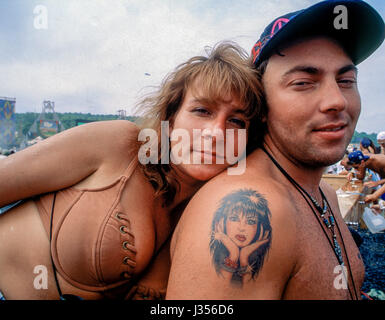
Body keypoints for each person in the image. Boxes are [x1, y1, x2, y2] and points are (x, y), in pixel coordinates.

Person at [0, 42, 264, 300]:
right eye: (202, 111)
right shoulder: (118, 144)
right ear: (170, 120)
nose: (216, 132)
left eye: (236, 121)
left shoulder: (217, 209)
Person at [166, 0, 384, 300]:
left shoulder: (325, 194)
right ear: (262, 106)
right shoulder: (244, 204)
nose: (337, 100)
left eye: (346, 80)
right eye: (304, 82)